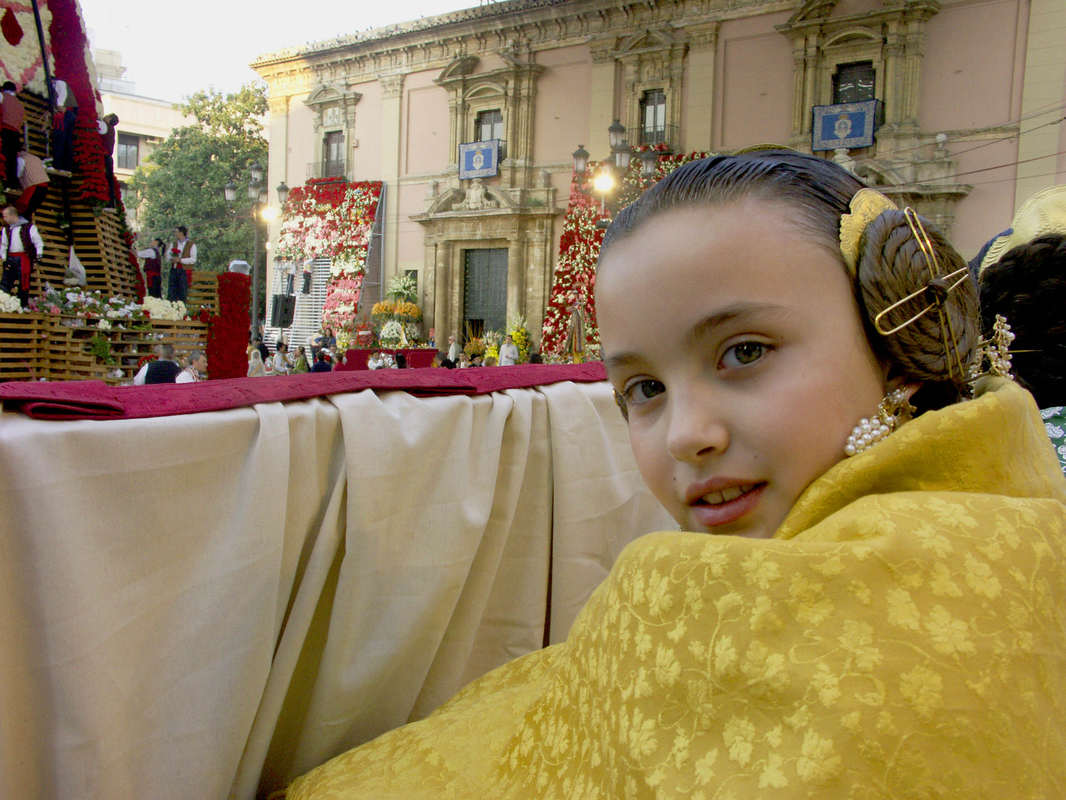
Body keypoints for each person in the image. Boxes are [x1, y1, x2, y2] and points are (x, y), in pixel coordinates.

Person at [286, 151, 1066, 798]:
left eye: (746, 351)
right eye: (644, 391)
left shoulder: (919, 633)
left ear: (903, 335)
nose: (688, 436)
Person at [0, 204, 43, 307]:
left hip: (24, 258)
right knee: (6, 281)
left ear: (12, 215)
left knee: (24, 282)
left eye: (5, 216)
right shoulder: (7, 229)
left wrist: (39, 255)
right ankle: (3, 303)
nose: (4, 219)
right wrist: (4, 258)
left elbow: (38, 241)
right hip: (11, 258)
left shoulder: (29, 227)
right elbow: (3, 245)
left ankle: (22, 305)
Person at [15, 150, 48, 222]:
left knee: (24, 210)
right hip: (44, 187)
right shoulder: (36, 158)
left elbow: (19, 173)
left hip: (33, 187)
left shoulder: (21, 158)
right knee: (30, 211)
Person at [1, 82, 23, 190]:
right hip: (16, 133)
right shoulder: (19, 104)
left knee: (3, 156)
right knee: (12, 159)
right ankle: (13, 183)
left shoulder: (2, 96)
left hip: (4, 129)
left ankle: (4, 181)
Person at [167, 226, 196, 302]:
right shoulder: (174, 244)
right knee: (171, 292)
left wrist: (181, 260)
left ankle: (181, 310)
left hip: (184, 271)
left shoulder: (191, 244)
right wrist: (171, 258)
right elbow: (168, 255)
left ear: (181, 233)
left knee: (182, 293)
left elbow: (193, 259)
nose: (175, 234)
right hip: (174, 270)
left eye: (176, 232)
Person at [97, 112, 119, 209]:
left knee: (104, 180)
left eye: (107, 116)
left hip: (103, 157)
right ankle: (111, 203)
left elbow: (95, 125)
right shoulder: (112, 130)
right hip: (109, 158)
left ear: (110, 119)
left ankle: (105, 202)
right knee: (109, 181)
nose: (105, 116)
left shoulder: (104, 126)